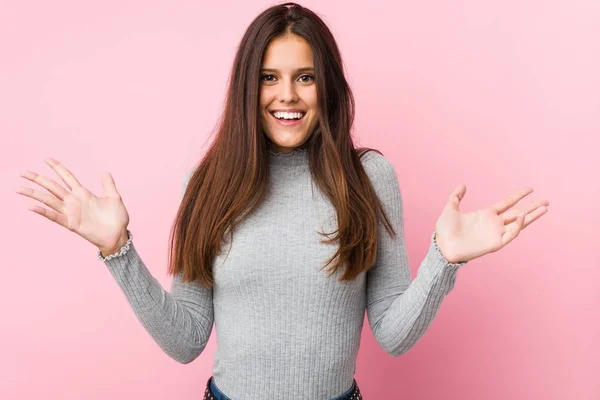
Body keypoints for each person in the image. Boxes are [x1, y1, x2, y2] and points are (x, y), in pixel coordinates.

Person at [16, 2, 549, 399]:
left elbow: (393, 333)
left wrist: (443, 261)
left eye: (305, 78)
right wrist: (119, 252)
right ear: (248, 87)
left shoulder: (370, 177)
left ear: (328, 87)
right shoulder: (208, 185)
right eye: (269, 78)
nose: (287, 95)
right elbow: (186, 339)